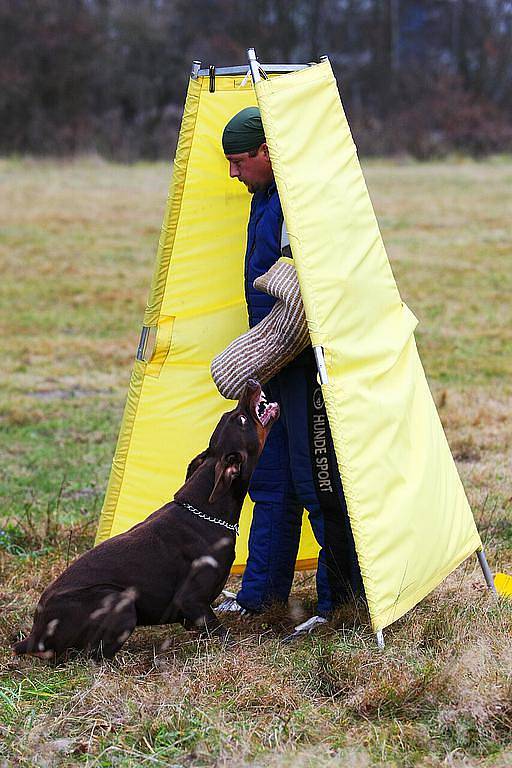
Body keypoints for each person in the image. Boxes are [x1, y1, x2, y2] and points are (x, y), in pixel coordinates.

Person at [215, 106, 362, 621]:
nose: (234, 173)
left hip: (305, 367)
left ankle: (339, 603)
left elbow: (304, 297)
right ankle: (261, 599)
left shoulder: (300, 201)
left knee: (316, 480)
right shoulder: (263, 198)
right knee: (270, 481)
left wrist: (262, 350)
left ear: (268, 152)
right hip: (275, 367)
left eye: (239, 161)